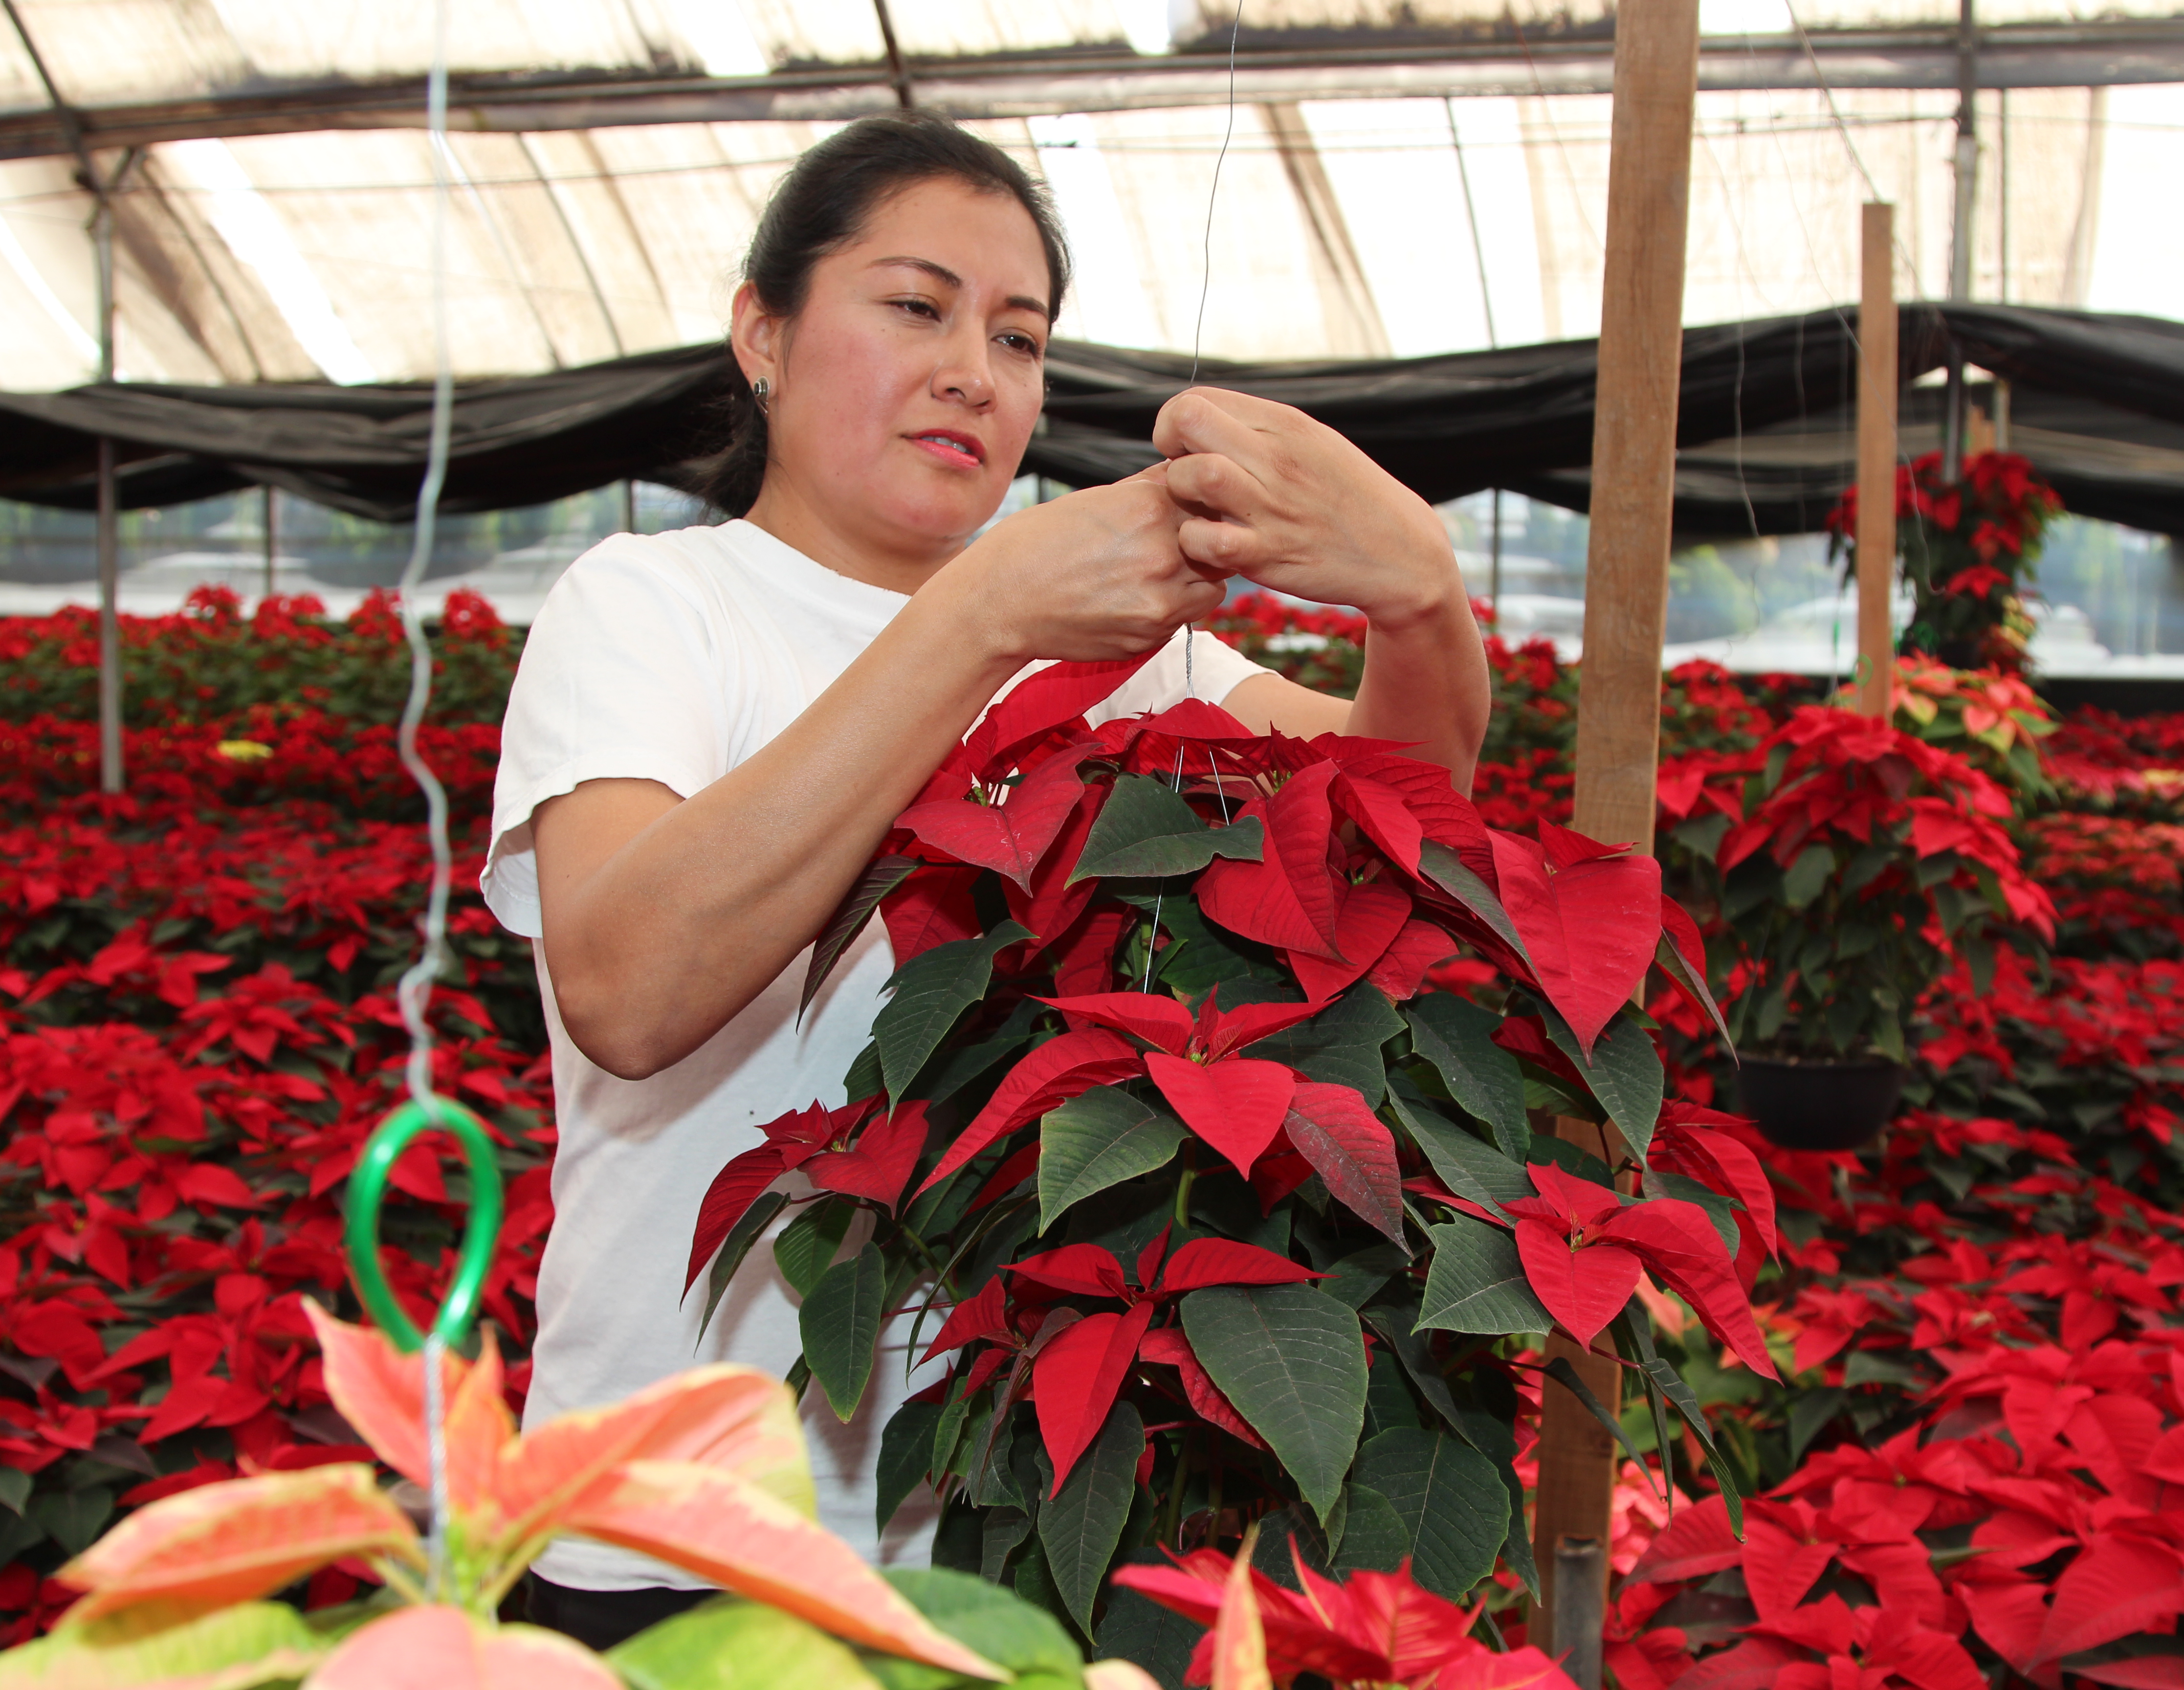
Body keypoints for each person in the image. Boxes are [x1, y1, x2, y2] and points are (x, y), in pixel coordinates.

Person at [482, 111, 1490, 1651]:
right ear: (763, 332)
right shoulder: (650, 609)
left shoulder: (1134, 660)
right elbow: (628, 985)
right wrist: (981, 619)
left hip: (1011, 1523)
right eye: (917, 305)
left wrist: (1420, 600)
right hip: (670, 1528)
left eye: (1020, 338)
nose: (977, 368)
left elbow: (1388, 824)